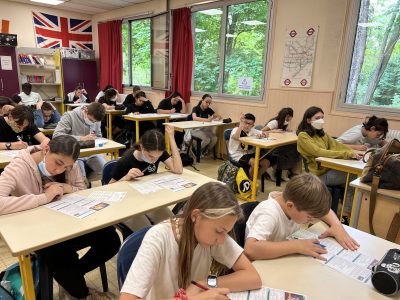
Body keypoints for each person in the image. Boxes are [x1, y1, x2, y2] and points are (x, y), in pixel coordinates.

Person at [0, 135, 120, 299]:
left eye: (66, 166)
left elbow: (83, 191)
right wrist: (43, 198)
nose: (60, 170)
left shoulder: (71, 164)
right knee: (60, 254)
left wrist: (67, 187)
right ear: (46, 149)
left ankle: (70, 279)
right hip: (39, 232)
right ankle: (80, 292)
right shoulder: (19, 165)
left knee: (110, 239)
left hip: (69, 222)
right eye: (58, 163)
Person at [120, 182, 262, 300]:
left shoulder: (212, 235)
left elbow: (253, 277)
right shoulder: (158, 238)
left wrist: (205, 283)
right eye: (219, 231)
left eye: (227, 232)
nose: (222, 240)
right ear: (196, 216)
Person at [244, 173, 359, 261]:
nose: (312, 220)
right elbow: (250, 249)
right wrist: (297, 246)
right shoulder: (269, 213)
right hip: (261, 265)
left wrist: (337, 225)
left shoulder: (292, 202)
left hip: (281, 259)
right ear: (290, 206)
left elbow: (323, 210)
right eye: (309, 217)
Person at [296, 106, 363, 221]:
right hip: (315, 174)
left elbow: (337, 145)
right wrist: (347, 154)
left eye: (322, 117)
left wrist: (353, 153)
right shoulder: (303, 136)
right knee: (354, 177)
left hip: (327, 170)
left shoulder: (322, 134)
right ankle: (346, 214)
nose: (321, 120)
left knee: (352, 175)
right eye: (317, 118)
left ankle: (344, 211)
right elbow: (318, 152)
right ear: (308, 120)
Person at [110, 127, 183, 230]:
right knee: (147, 230)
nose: (154, 160)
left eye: (158, 156)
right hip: (128, 204)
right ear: (142, 147)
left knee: (172, 225)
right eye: (150, 156)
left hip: (149, 200)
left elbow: (178, 170)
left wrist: (171, 137)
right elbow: (109, 188)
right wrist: (126, 177)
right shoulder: (125, 161)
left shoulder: (156, 152)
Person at [53, 103, 107, 183]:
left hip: (92, 153)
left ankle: (87, 183)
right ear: (85, 111)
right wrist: (81, 138)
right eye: (91, 120)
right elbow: (56, 136)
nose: (93, 122)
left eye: (95, 121)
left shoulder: (96, 120)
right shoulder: (69, 116)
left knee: (105, 170)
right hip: (75, 154)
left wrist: (98, 139)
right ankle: (83, 183)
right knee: (80, 178)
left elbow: (98, 135)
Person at [229, 113, 273, 180]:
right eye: (245, 122)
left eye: (249, 124)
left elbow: (264, 133)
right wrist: (240, 124)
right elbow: (236, 137)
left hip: (249, 153)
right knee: (254, 163)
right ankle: (251, 182)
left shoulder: (252, 130)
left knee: (266, 162)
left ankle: (255, 179)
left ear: (253, 125)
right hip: (237, 154)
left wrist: (263, 135)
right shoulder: (236, 129)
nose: (247, 125)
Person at [261, 107, 296, 182]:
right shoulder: (274, 122)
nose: (289, 118)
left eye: (290, 116)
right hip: (269, 145)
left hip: (277, 143)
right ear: (283, 115)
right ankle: (274, 169)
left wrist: (287, 130)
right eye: (288, 116)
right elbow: (261, 131)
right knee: (287, 151)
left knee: (293, 149)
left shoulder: (284, 122)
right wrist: (274, 131)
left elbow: (281, 131)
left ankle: (284, 170)